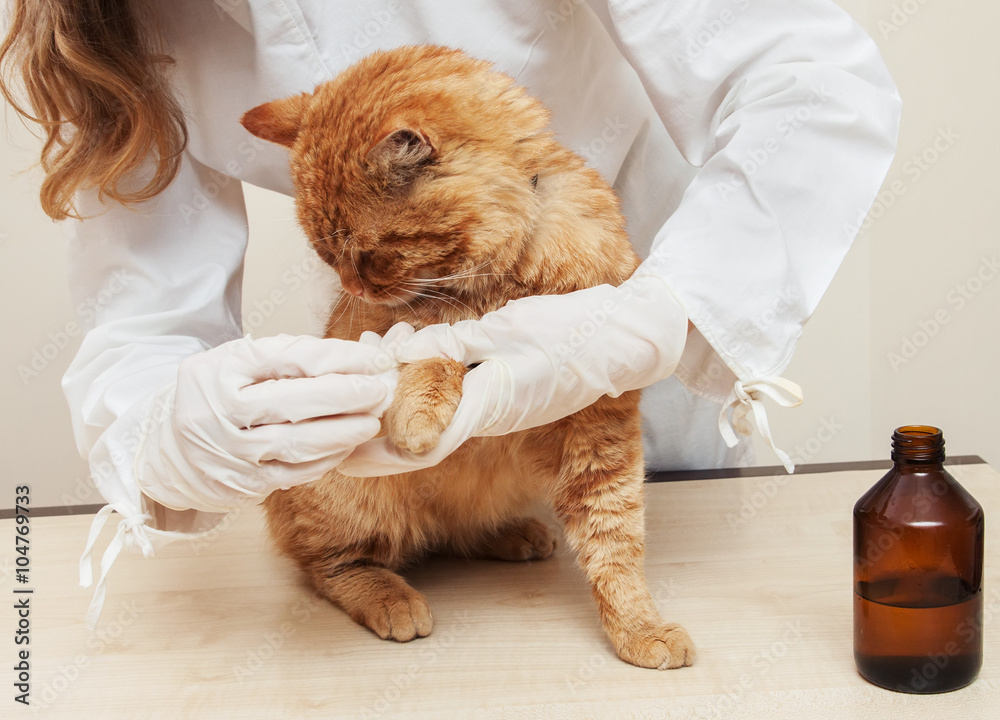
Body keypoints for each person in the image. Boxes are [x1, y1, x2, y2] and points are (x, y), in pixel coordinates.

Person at [0, 0, 900, 627]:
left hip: (633, 309)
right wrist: (169, 431)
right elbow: (144, 309)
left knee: (658, 577)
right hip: (414, 354)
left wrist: (664, 316)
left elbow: (813, 82)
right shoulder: (101, 27)